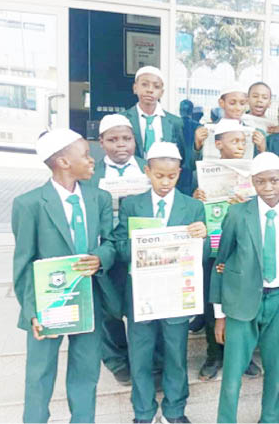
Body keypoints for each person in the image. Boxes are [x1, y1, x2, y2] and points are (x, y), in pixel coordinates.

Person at [11, 129, 117, 423]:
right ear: (63, 162)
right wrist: (32, 310)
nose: (92, 159)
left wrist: (101, 258)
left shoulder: (100, 198)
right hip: (48, 302)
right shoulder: (29, 204)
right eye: (85, 154)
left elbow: (110, 242)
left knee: (86, 372)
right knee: (39, 373)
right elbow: (24, 263)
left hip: (88, 299)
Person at [210, 152, 279, 423]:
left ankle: (269, 419)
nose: (267, 188)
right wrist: (220, 314)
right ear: (252, 183)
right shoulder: (237, 213)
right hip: (242, 300)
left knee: (276, 369)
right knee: (232, 375)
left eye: (273, 181)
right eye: (260, 182)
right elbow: (220, 262)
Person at [114, 142, 207, 424]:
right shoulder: (132, 204)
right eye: (159, 176)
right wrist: (139, 245)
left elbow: (203, 256)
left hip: (176, 294)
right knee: (140, 357)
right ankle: (143, 413)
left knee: (176, 355)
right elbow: (119, 247)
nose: (165, 182)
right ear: (147, 172)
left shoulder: (192, 207)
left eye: (172, 176)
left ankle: (174, 411)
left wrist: (201, 237)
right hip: (142, 293)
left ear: (180, 173)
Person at [191, 119, 262, 381]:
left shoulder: (253, 173)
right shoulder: (203, 171)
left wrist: (248, 201)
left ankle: (241, 356)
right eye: (234, 141)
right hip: (213, 247)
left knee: (239, 303)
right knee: (213, 304)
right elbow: (192, 208)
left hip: (242, 249)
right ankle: (213, 355)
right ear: (218, 144)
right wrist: (196, 195)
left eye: (243, 141)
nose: (240, 145)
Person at [87, 114, 146, 386]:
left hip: (143, 248)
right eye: (112, 139)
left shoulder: (149, 168)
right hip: (106, 248)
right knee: (109, 308)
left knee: (143, 306)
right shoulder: (90, 174)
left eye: (126, 138)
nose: (120, 145)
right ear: (101, 142)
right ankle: (117, 359)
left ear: (135, 140)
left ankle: (146, 359)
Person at [121, 66, 189, 192]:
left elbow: (182, 158)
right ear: (135, 88)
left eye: (156, 86)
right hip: (132, 184)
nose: (150, 90)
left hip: (164, 183)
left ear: (162, 92)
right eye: (145, 85)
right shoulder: (123, 120)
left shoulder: (175, 122)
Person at [194, 83, 267, 159]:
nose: (238, 108)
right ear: (221, 103)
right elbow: (190, 165)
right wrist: (197, 145)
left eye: (242, 104)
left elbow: (263, 166)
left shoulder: (256, 133)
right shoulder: (204, 131)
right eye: (232, 103)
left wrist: (262, 149)